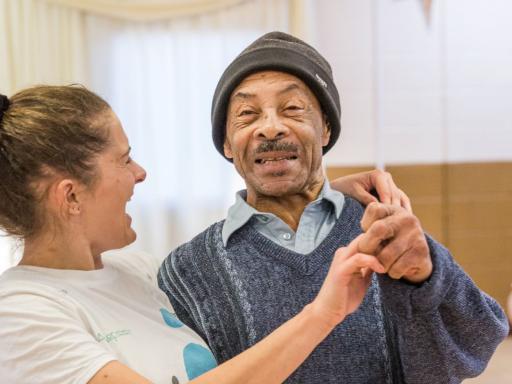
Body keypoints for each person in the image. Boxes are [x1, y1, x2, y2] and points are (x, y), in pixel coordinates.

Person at [158, 31, 510, 383]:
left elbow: (477, 343)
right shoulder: (187, 270)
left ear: (326, 128)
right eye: (247, 114)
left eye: (292, 108)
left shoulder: (383, 232)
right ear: (227, 143)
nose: (270, 127)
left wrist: (426, 276)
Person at [0, 85, 404, 384]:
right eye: (124, 160)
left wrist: (315, 196)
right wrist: (324, 313)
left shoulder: (136, 273)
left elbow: (225, 253)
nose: (140, 173)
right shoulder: (20, 314)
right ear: (71, 197)